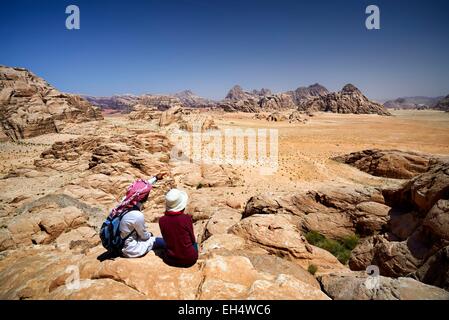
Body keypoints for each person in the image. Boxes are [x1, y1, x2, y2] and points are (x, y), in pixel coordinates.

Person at [111, 173, 167, 258]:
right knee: (160, 241)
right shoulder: (136, 215)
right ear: (145, 198)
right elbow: (144, 237)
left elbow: (138, 189)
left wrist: (155, 178)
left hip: (118, 244)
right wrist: (150, 234)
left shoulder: (124, 203)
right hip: (130, 249)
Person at [158, 189, 198, 267]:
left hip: (170, 259)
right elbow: (192, 239)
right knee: (195, 244)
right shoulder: (186, 218)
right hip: (189, 260)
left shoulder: (162, 220)